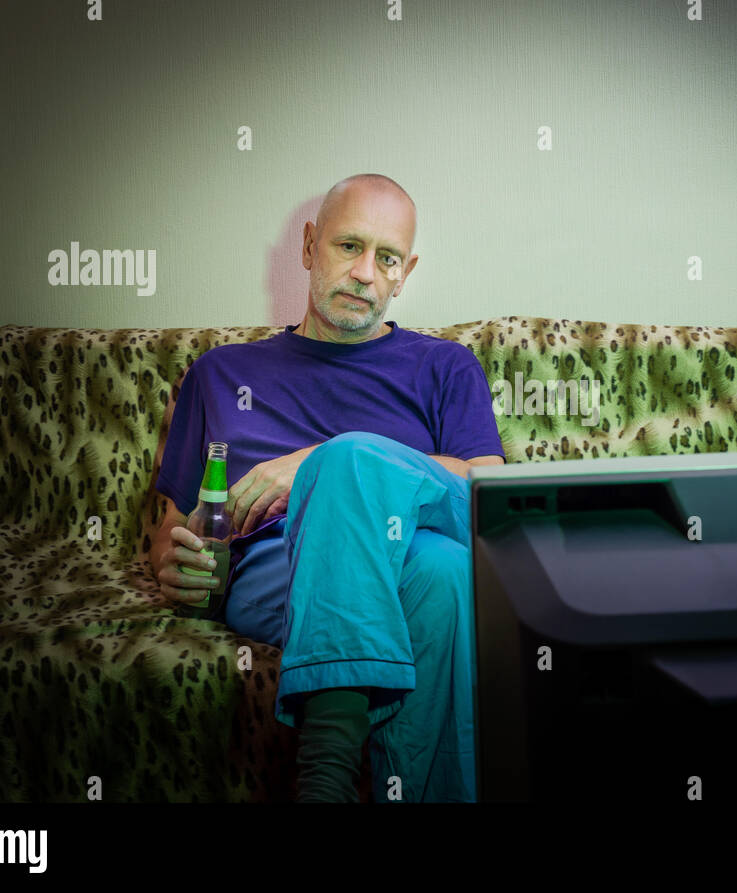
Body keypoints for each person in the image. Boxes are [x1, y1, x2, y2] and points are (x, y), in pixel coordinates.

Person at [148, 174, 505, 802]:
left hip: (407, 544)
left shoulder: (446, 366)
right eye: (349, 247)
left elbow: (487, 497)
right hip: (279, 568)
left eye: (386, 258)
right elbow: (171, 529)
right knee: (440, 571)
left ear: (405, 272)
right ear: (310, 246)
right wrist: (175, 565)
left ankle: (325, 783)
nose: (366, 272)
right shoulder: (220, 373)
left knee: (418, 534)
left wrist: (321, 463)